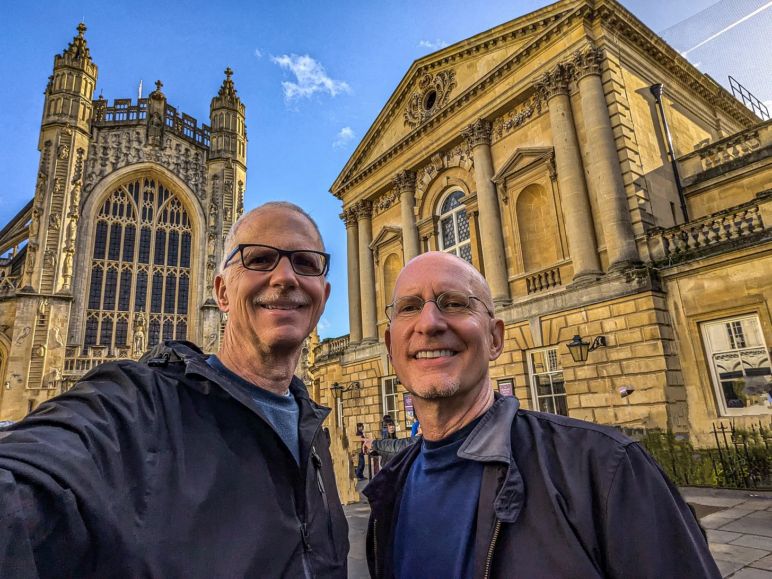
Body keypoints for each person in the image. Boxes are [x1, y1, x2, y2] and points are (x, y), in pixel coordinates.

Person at [0, 202, 349, 578]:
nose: (285, 277)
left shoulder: (314, 430)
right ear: (222, 293)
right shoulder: (138, 406)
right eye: (260, 259)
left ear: (322, 297)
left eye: (305, 263)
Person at [363, 251, 720, 579]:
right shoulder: (388, 490)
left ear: (495, 339)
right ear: (391, 348)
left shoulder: (606, 468)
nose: (429, 323)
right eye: (409, 307)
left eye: (454, 303)